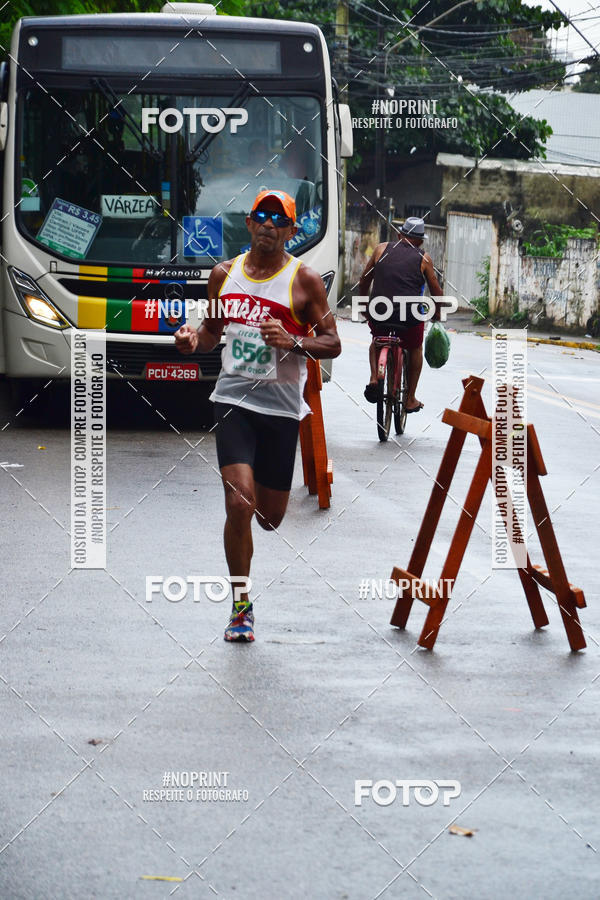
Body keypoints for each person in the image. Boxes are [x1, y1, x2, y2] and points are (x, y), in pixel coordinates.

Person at [174, 189, 341, 643]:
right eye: (260, 216)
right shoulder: (222, 276)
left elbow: (334, 343)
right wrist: (192, 343)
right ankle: (240, 606)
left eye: (278, 218)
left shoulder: (305, 282)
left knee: (269, 517)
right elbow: (209, 334)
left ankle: (247, 575)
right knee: (238, 501)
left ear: (290, 230)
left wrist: (293, 341)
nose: (268, 224)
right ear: (249, 224)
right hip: (233, 400)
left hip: (281, 409)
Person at [358, 216, 443, 413]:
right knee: (415, 347)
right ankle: (410, 398)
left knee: (376, 339)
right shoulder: (424, 258)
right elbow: (436, 291)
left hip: (379, 311)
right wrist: (437, 313)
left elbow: (363, 281)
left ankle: (373, 377)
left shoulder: (380, 249)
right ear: (420, 241)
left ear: (399, 235)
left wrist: (364, 306)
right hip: (408, 315)